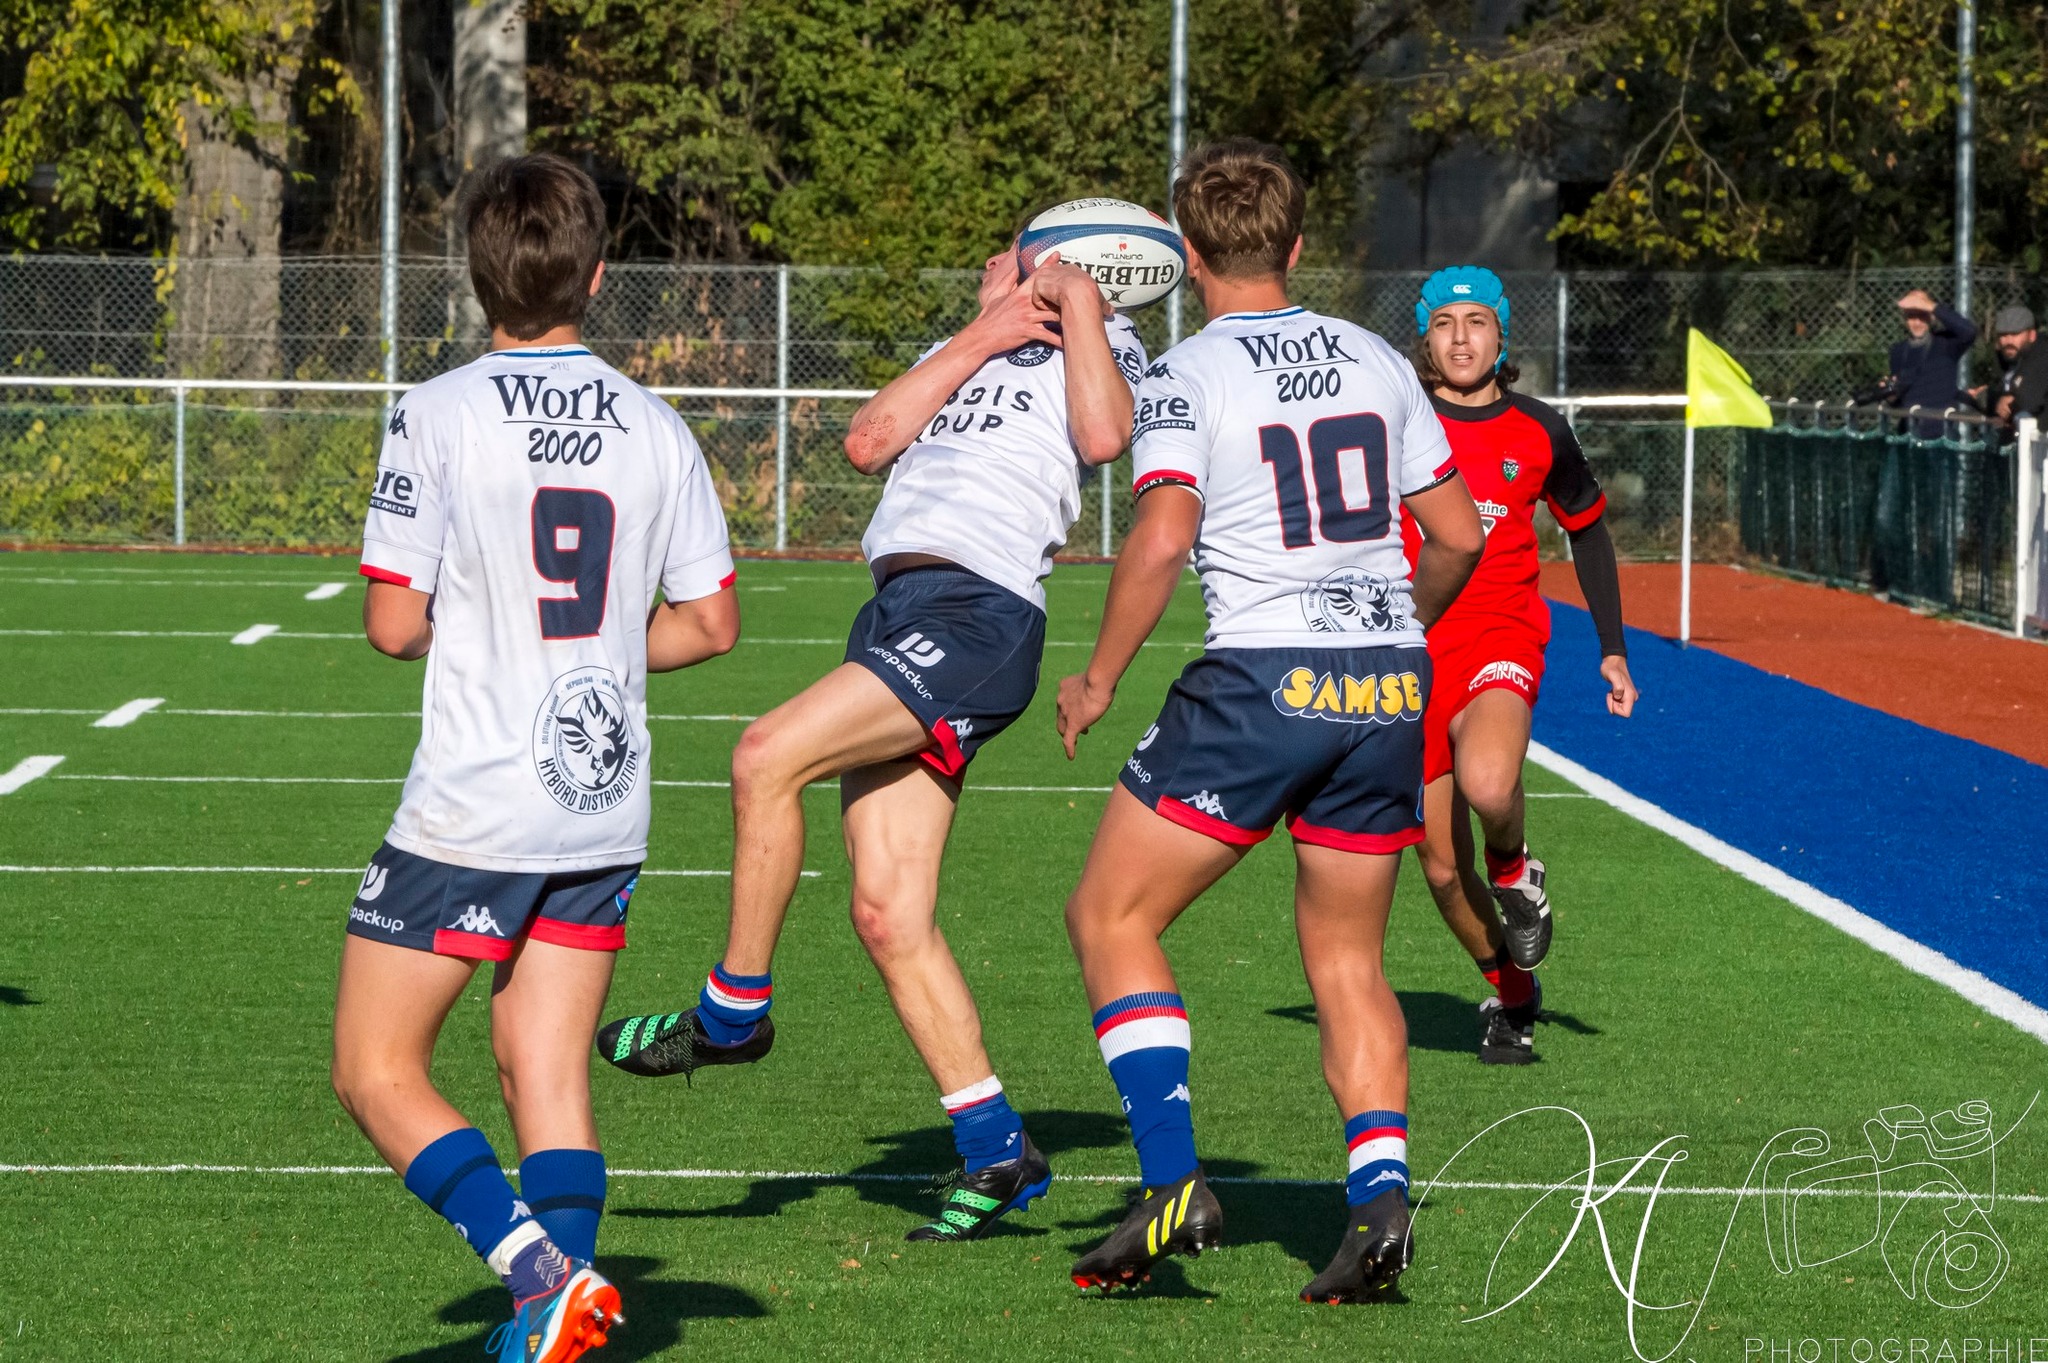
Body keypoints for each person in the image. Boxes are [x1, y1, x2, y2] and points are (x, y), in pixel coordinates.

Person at [596, 233, 1146, 1242]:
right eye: (997, 265)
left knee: (766, 753)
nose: (996, 270)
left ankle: (731, 1015)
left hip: (977, 621)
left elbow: (1106, 437)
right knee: (890, 912)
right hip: (898, 610)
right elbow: (866, 439)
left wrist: (1079, 305)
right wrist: (980, 335)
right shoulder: (968, 340)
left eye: (1017, 259)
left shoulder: (1102, 342)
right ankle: (996, 1148)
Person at [1054, 139, 1484, 1302]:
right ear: (1296, 249)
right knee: (1346, 957)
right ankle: (1378, 1205)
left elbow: (1160, 533)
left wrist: (1095, 677)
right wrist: (1394, 631)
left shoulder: (1185, 375)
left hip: (1262, 675)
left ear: (1185, 258)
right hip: (1385, 681)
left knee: (1108, 912)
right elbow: (1457, 534)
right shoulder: (1377, 358)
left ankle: (1170, 1181)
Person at [330, 155, 740, 1363]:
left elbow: (393, 625)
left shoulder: (439, 411)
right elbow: (711, 624)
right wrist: (596, 664)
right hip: (602, 802)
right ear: (599, 276)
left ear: (473, 279)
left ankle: (538, 1271)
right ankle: (557, 1323)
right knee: (543, 1068)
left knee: (373, 1068)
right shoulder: (658, 428)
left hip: (477, 805)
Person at [1403, 266, 1638, 1066]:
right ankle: (1510, 994)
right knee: (1438, 868)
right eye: (1444, 323)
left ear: (1503, 336)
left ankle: (1516, 867)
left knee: (1491, 784)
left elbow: (1590, 531)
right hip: (1407, 656)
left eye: (1477, 321)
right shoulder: (1393, 421)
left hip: (1502, 635)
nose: (1461, 337)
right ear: (1425, 340)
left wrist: (1613, 648)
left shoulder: (1540, 428)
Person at [1979, 305, 2048, 430]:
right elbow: (1999, 394)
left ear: (2031, 335)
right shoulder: (2006, 358)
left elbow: (2029, 400)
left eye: (2015, 334)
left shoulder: (2042, 355)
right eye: (2003, 335)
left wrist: (2010, 401)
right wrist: (1988, 397)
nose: (2008, 341)